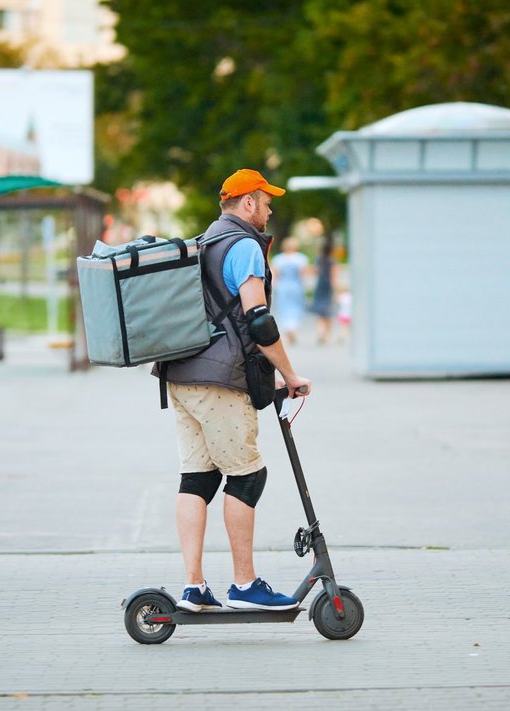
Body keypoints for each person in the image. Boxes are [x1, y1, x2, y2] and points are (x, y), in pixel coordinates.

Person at [159, 168, 312, 612]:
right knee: (248, 476)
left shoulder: (206, 240)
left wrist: (273, 377)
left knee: (198, 477)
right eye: (266, 201)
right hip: (220, 383)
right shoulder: (244, 245)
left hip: (181, 375)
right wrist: (291, 372)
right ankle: (244, 586)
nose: (270, 208)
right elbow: (258, 319)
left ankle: (193, 587)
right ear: (247, 202)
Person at [270, 237, 309, 345]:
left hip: (283, 286)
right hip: (296, 286)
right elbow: (302, 274)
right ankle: (293, 328)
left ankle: (288, 330)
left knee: (284, 308)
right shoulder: (301, 258)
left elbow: (275, 275)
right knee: (296, 308)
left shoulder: (278, 259)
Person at [309, 236, 338, 345]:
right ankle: (326, 335)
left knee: (320, 311)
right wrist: (335, 291)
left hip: (320, 286)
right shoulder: (332, 261)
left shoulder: (318, 259)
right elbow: (334, 277)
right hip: (328, 287)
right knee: (328, 312)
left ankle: (320, 332)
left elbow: (315, 272)